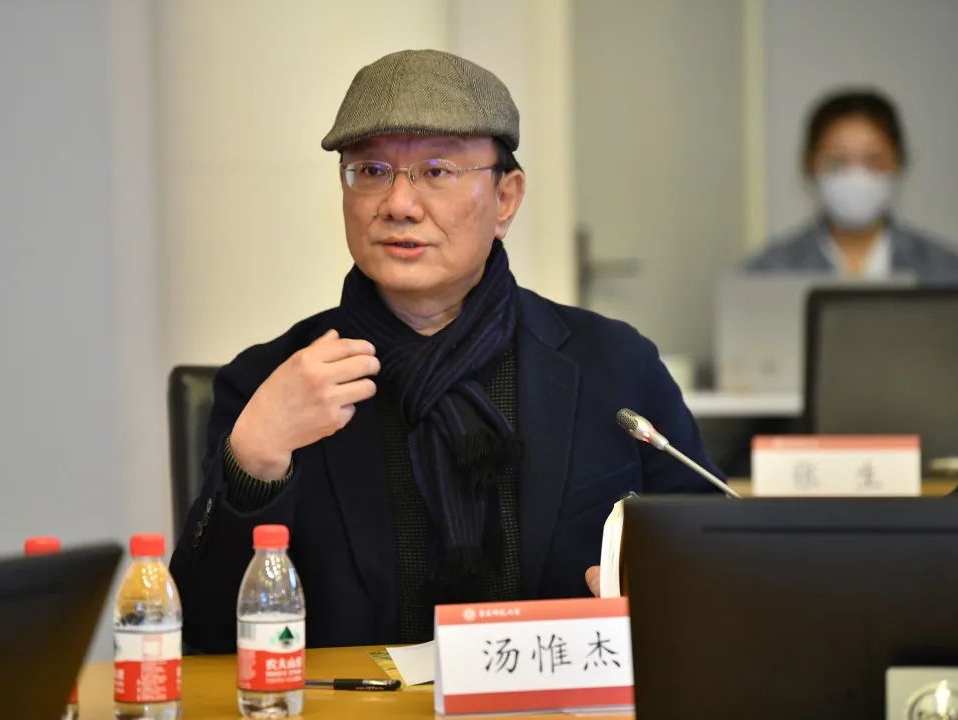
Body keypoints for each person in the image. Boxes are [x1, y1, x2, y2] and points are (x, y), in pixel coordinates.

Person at [170, 49, 722, 653]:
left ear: (505, 198)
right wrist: (255, 459)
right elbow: (204, 636)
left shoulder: (611, 366)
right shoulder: (269, 380)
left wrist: (657, 591)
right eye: (371, 170)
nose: (399, 205)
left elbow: (710, 567)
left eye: (436, 171)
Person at [745, 89, 958, 284]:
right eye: (836, 161)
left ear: (898, 163)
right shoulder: (768, 273)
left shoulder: (944, 271)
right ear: (809, 165)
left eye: (873, 160)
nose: (856, 175)